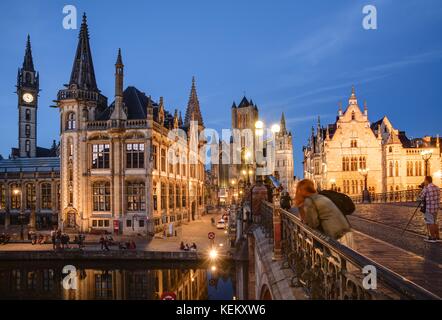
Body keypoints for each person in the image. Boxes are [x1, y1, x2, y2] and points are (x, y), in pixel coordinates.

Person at [295, 179, 354, 248]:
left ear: (301, 191)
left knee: (335, 258)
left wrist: (304, 218)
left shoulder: (310, 200)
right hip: (345, 232)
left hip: (336, 236)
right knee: (349, 257)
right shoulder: (319, 196)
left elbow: (313, 224)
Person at [420, 176, 441, 243]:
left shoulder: (426, 188)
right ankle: (437, 237)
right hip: (436, 207)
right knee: (434, 222)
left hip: (429, 207)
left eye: (424, 180)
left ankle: (432, 237)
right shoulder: (437, 187)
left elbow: (421, 197)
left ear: (426, 180)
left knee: (430, 222)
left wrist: (423, 187)